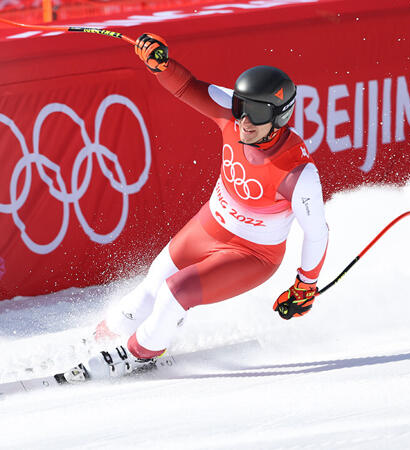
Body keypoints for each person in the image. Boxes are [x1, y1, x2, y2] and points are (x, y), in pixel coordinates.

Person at [68, 33, 330, 381]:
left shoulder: (297, 173)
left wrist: (305, 284)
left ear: (279, 117)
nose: (244, 120)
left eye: (254, 113)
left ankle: (138, 353)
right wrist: (160, 65)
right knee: (146, 293)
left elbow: (317, 232)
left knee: (175, 293)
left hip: (252, 255)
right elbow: (187, 85)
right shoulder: (235, 115)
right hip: (208, 227)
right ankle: (98, 341)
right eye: (240, 107)